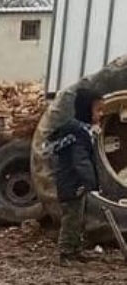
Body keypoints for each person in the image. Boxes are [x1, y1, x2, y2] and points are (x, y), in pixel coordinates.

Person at [45, 88, 102, 264]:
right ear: (86, 110)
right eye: (98, 110)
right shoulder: (78, 134)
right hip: (71, 183)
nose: (101, 114)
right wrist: (91, 182)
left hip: (77, 183)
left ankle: (76, 249)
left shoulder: (82, 131)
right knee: (71, 219)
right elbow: (81, 162)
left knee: (79, 218)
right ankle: (65, 252)